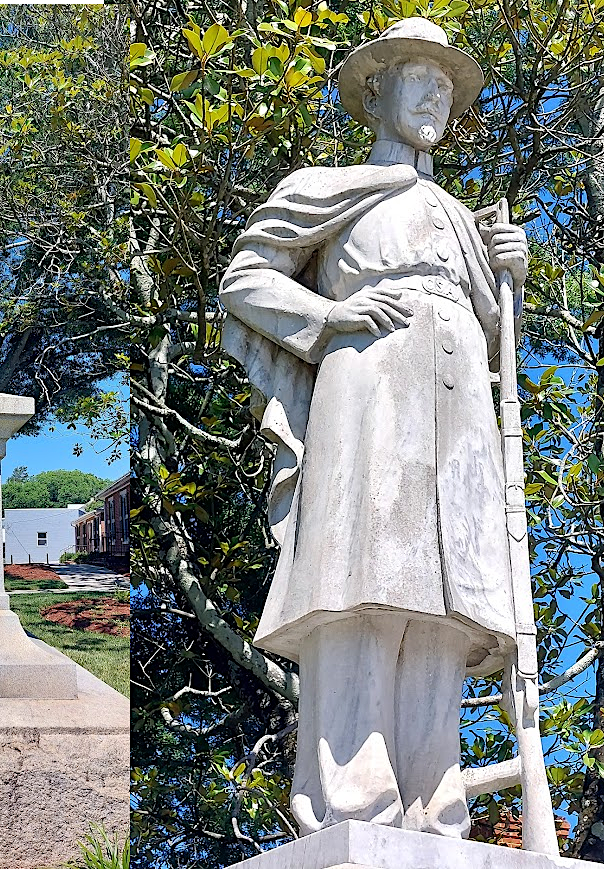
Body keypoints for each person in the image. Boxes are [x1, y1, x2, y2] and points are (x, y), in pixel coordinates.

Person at [220, 18, 528, 839]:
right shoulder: (331, 186)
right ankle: (353, 801)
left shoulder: (461, 218)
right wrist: (327, 318)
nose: (433, 94)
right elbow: (245, 278)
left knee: (443, 605)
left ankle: (435, 807)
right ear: (376, 90)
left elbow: (502, 342)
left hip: (455, 405)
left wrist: (511, 279)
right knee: (363, 586)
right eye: (417, 77)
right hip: (370, 391)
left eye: (445, 83)